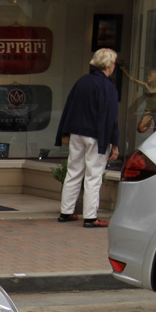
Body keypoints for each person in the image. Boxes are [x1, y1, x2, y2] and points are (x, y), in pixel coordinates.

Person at [55, 48, 119, 228]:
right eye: (113, 63)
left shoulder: (82, 81)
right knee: (93, 175)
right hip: (97, 136)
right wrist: (115, 143)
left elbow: (69, 107)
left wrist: (65, 133)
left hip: (77, 132)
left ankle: (66, 212)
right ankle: (90, 217)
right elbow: (111, 118)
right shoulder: (108, 86)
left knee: (73, 171)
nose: (114, 66)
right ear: (108, 65)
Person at [122, 66, 156, 133]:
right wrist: (123, 68)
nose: (148, 77)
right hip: (149, 110)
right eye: (148, 75)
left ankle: (154, 131)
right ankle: (150, 127)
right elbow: (133, 79)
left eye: (151, 75)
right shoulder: (146, 85)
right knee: (140, 128)